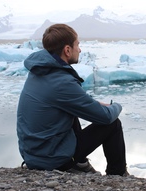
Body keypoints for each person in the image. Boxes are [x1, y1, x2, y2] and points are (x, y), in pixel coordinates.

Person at [17, 23, 128, 176]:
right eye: (77, 45)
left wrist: (95, 104)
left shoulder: (39, 71)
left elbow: (73, 100)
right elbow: (105, 117)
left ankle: (80, 163)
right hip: (51, 160)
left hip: (34, 155)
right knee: (112, 124)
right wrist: (116, 105)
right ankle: (118, 175)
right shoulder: (61, 82)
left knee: (72, 110)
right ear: (67, 50)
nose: (80, 50)